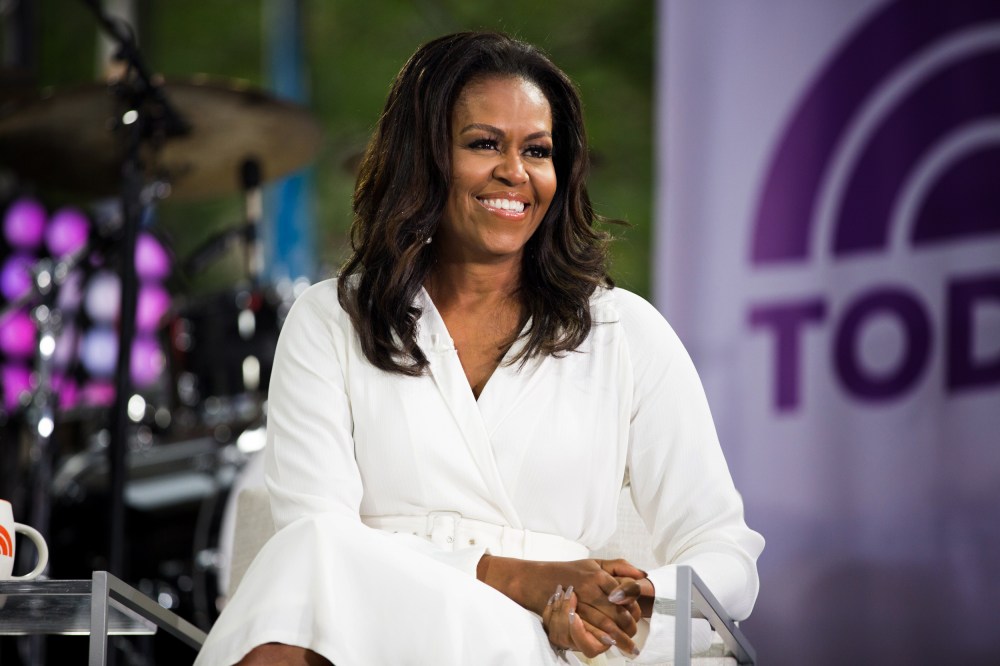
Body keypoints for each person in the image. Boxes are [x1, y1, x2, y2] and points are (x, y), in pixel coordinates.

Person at [195, 31, 764, 665]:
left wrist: (628, 595)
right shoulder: (331, 318)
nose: (515, 173)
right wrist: (514, 574)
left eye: (538, 150)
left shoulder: (624, 333)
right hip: (374, 617)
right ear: (423, 158)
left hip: (541, 639)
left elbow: (727, 554)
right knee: (303, 565)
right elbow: (314, 536)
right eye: (483, 143)